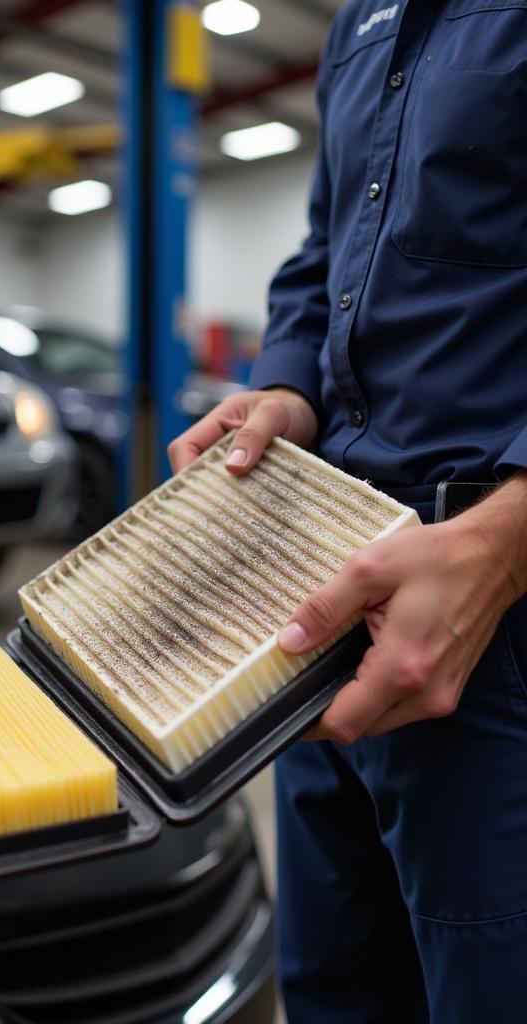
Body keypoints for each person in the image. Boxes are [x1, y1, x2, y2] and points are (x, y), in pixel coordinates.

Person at [167, 3, 527, 1022]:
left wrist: (504, 543)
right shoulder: (359, 25)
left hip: (494, 615)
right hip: (325, 579)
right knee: (332, 987)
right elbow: (325, 252)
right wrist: (289, 389)